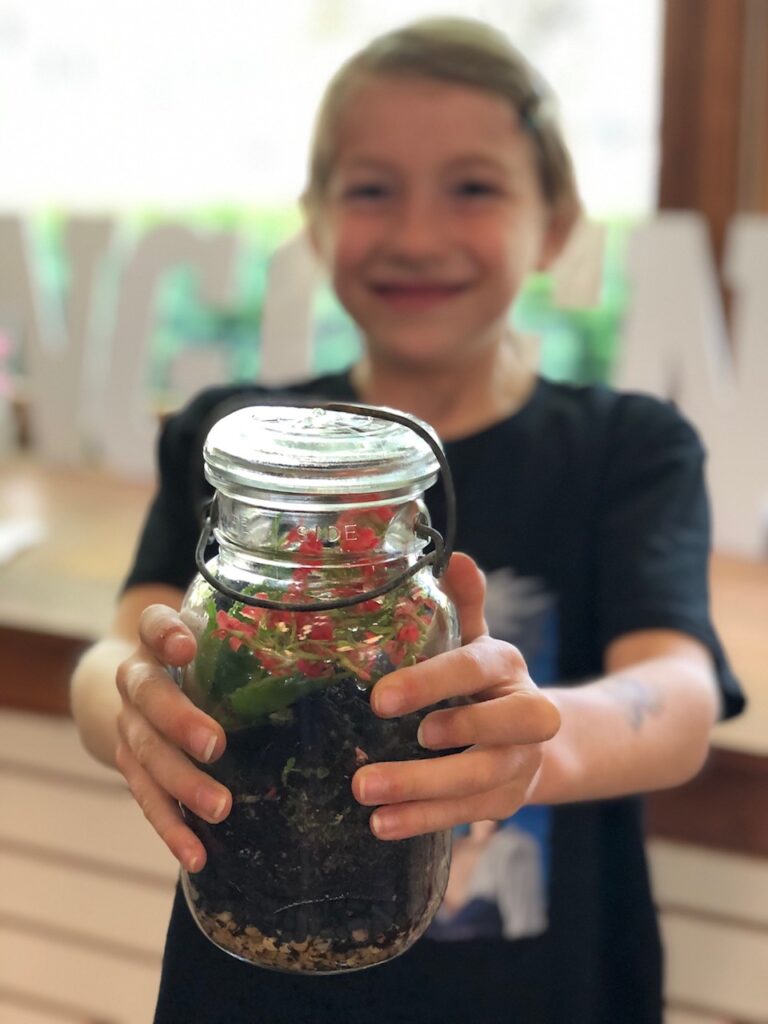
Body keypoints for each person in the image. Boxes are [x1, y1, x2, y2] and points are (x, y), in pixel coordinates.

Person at [70, 16, 744, 1024]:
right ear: (317, 218)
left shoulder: (627, 450)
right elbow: (126, 644)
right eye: (372, 189)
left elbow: (679, 697)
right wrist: (128, 703)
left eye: (473, 187)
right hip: (249, 978)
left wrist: (534, 745)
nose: (418, 235)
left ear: (556, 221)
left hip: (532, 995)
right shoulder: (240, 444)